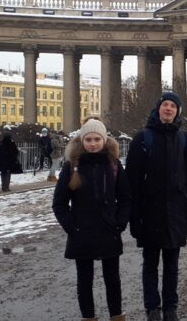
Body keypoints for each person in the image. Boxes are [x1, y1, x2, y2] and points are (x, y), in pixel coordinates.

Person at [126, 92, 187, 321]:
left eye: (173, 106)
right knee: (150, 263)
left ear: (178, 111)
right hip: (150, 211)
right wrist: (134, 216)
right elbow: (132, 181)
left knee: (172, 264)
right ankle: (152, 307)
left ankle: (170, 307)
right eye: (165, 105)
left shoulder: (184, 139)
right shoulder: (142, 139)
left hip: (175, 211)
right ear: (158, 109)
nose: (168, 109)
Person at [52, 118, 130, 321]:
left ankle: (116, 316)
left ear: (104, 140)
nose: (93, 143)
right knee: (84, 281)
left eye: (97, 139)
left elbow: (125, 198)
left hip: (108, 231)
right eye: (89, 139)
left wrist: (120, 223)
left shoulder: (113, 166)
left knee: (112, 280)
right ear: (82, 141)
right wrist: (72, 228)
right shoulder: (71, 167)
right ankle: (88, 317)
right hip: (82, 233)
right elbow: (59, 203)